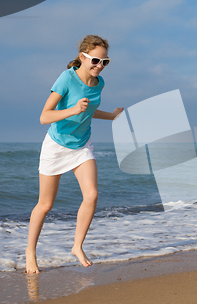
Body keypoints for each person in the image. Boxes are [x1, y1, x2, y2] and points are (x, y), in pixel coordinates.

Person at [25, 35, 124, 273]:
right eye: (95, 60)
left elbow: (89, 110)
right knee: (45, 205)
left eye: (105, 62)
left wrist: (111, 116)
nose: (100, 66)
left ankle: (77, 246)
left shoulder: (99, 83)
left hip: (82, 145)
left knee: (91, 195)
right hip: (56, 145)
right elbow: (44, 116)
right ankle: (30, 252)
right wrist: (71, 109)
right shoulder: (66, 80)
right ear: (83, 57)